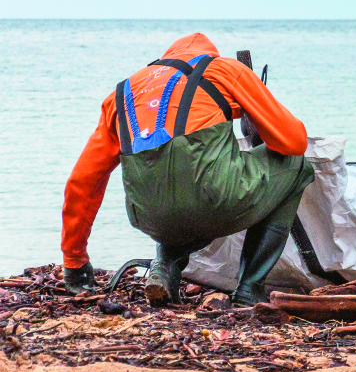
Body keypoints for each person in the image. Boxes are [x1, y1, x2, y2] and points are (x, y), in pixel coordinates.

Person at [61, 33, 314, 307]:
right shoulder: (224, 69)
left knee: (182, 195)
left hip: (148, 217)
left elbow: (83, 182)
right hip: (214, 202)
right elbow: (294, 142)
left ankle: (164, 267)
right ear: (208, 55)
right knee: (295, 166)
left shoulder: (121, 94)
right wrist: (254, 114)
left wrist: (74, 261)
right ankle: (249, 288)